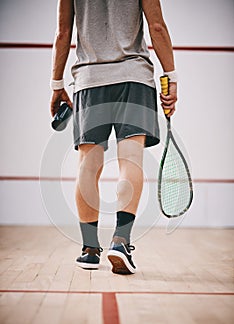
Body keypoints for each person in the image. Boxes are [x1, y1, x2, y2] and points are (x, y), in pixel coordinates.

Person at [50, 0, 177, 275]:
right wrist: (171, 76)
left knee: (88, 164)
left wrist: (57, 85)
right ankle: (120, 241)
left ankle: (89, 250)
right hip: (134, 77)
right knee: (130, 160)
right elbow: (156, 26)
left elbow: (62, 34)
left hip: (89, 79)